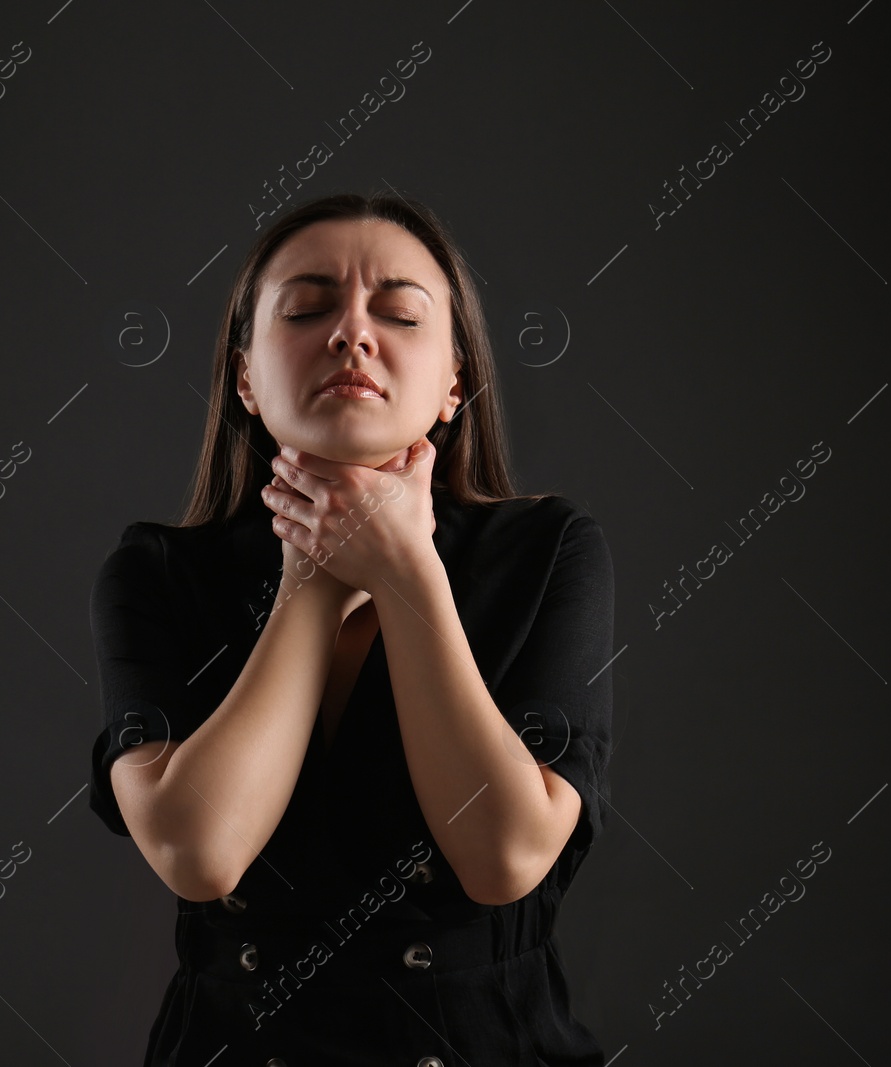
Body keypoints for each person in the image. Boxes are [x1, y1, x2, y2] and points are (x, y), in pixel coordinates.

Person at [88, 190, 616, 1064]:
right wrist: (317, 572)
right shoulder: (154, 573)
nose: (353, 334)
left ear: (454, 380)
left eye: (401, 313)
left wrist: (404, 570)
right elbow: (200, 849)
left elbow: (505, 855)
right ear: (247, 376)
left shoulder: (552, 552)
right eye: (306, 308)